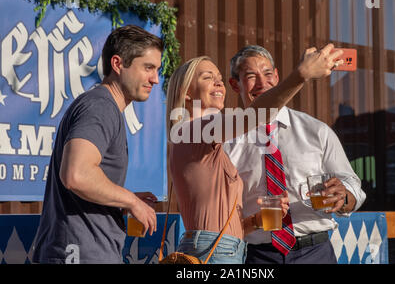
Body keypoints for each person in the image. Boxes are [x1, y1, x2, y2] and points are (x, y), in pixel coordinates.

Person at [166, 44, 343, 264]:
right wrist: (301, 75)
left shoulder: (204, 139)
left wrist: (257, 221)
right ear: (187, 94)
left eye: (219, 77)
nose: (218, 82)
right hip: (214, 252)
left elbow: (224, 225)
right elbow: (256, 115)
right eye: (207, 77)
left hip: (228, 247)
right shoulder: (195, 130)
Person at [224, 45, 367, 264]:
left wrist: (344, 196)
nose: (263, 83)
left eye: (268, 73)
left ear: (278, 76)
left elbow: (352, 184)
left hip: (315, 253)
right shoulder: (228, 142)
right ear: (235, 85)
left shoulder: (317, 131)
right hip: (258, 256)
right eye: (251, 76)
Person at [32, 25, 162, 264]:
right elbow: (76, 175)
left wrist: (124, 198)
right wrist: (131, 201)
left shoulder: (103, 106)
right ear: (118, 64)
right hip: (79, 253)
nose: (155, 78)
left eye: (157, 70)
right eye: (148, 68)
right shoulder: (100, 107)